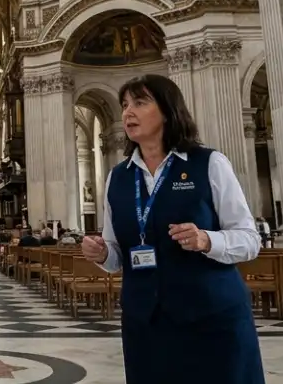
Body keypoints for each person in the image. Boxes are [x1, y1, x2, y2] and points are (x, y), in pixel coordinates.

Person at [81, 74, 264, 384]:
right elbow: (116, 257)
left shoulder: (209, 163)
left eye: (140, 103)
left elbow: (249, 240)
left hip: (211, 316)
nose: (128, 112)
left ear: (167, 111)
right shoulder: (118, 177)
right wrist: (101, 253)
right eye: (125, 105)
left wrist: (207, 240)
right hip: (145, 323)